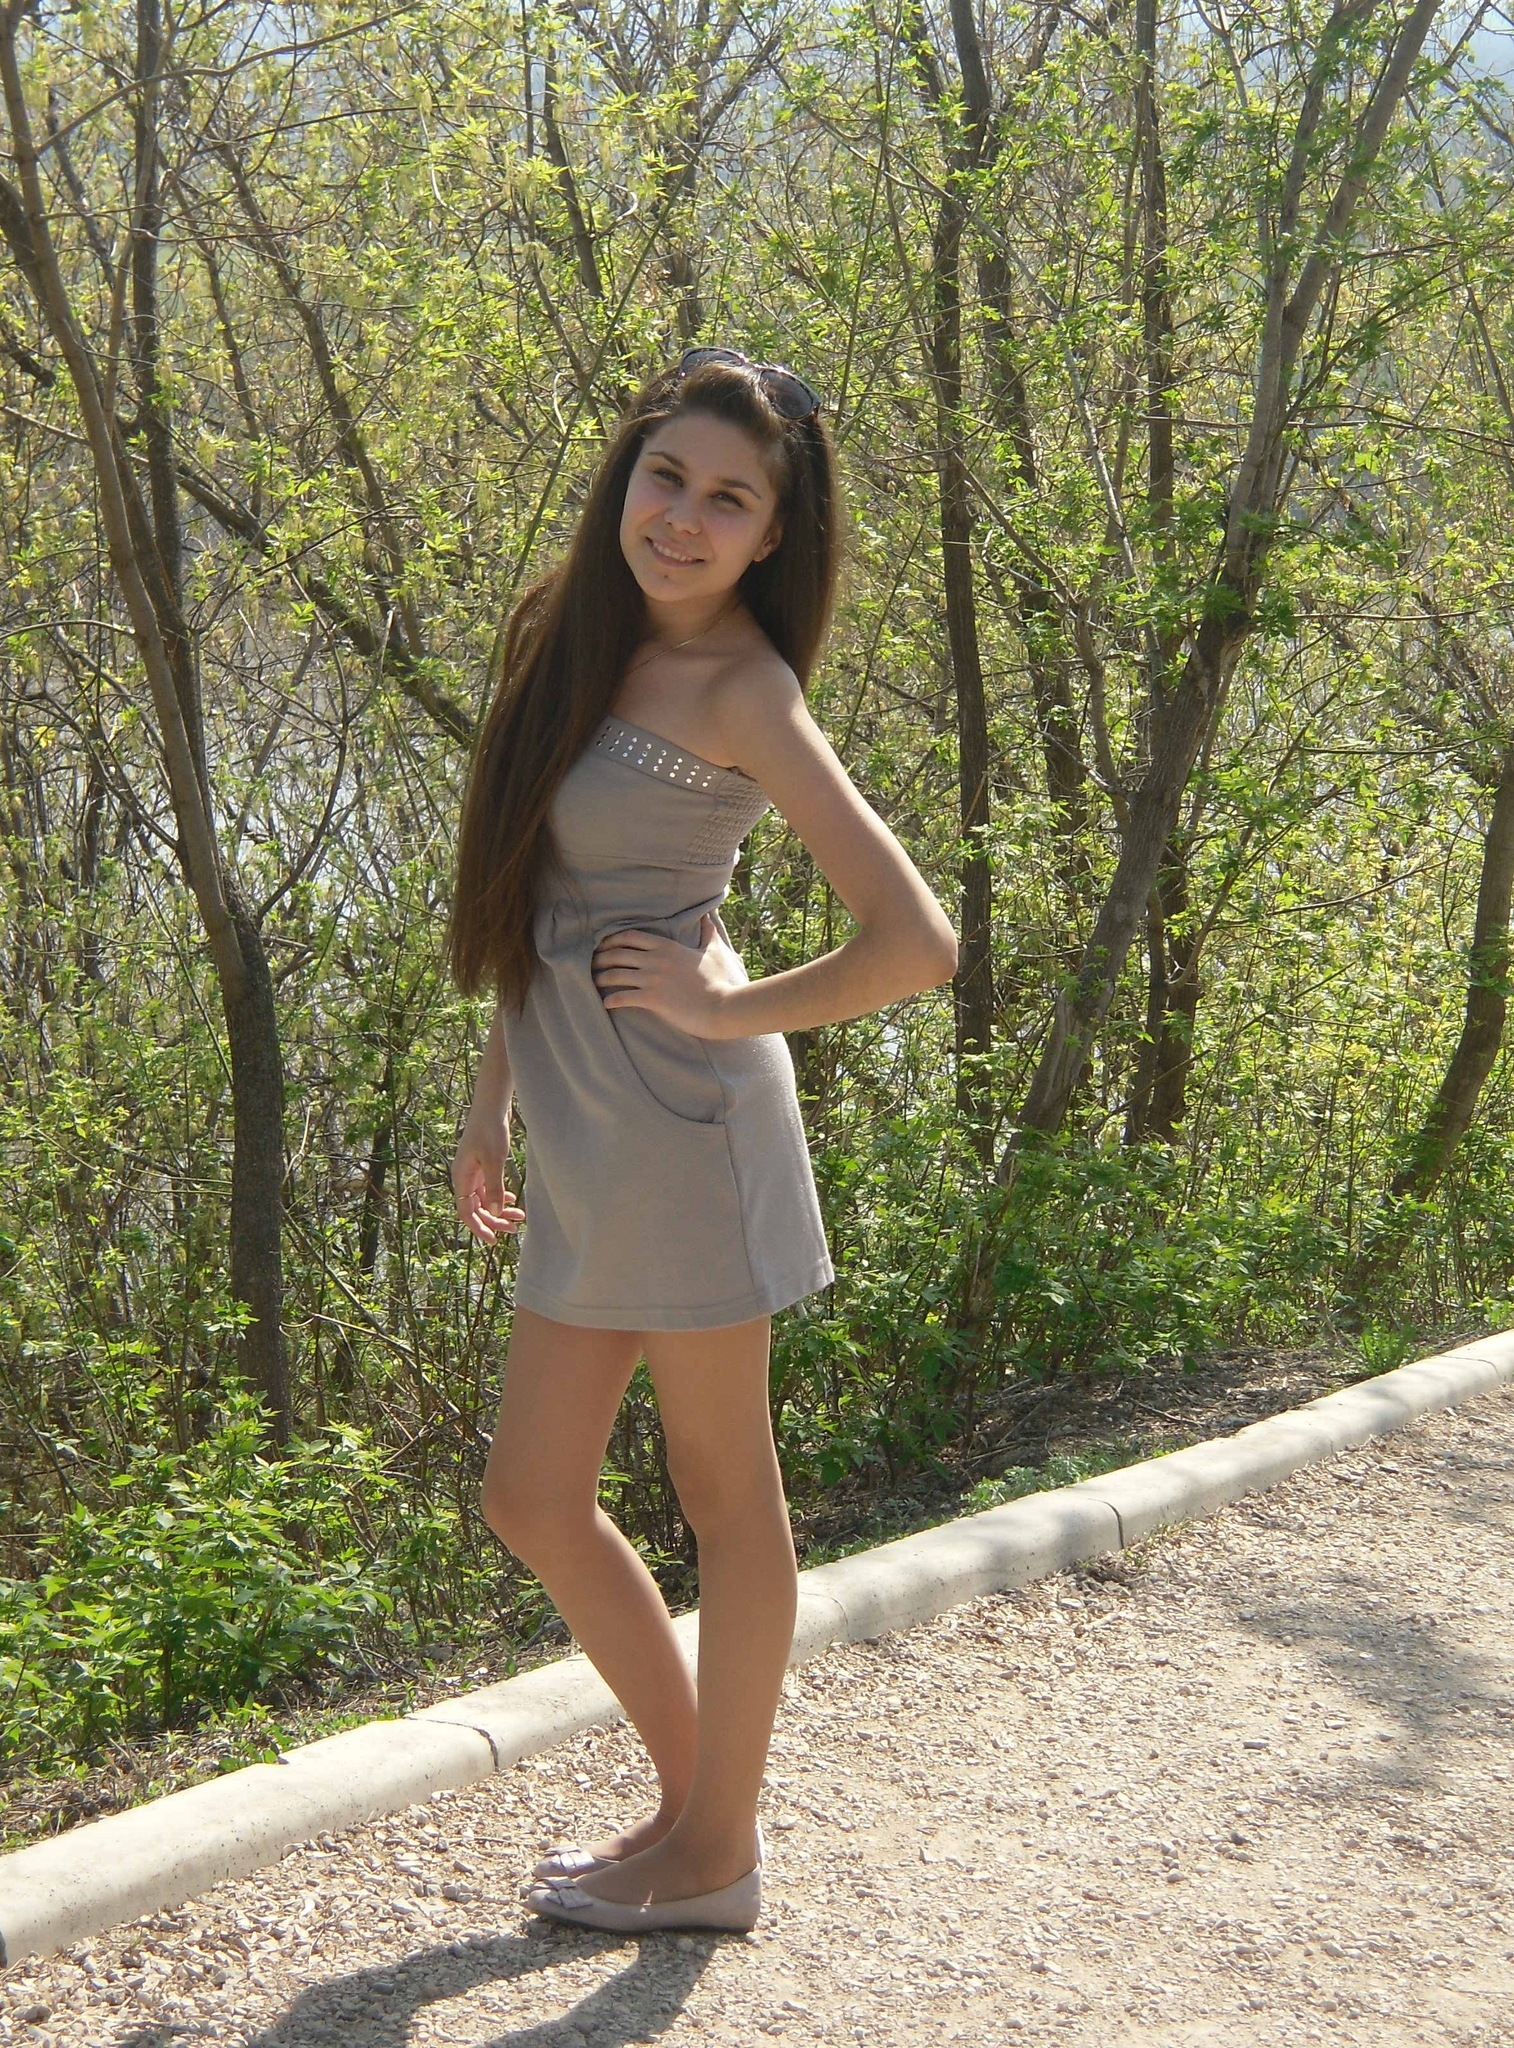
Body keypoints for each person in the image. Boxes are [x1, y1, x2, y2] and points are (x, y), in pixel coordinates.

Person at [447, 346, 959, 1933]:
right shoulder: (565, 630)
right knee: (532, 1496)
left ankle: (713, 1849)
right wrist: (492, 1095)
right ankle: (697, 1815)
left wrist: (728, 1009)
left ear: (771, 535)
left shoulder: (746, 691)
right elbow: (535, 892)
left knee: (725, 1495)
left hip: (685, 1127)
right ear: (626, 473)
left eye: (728, 499)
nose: (682, 517)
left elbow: (916, 943)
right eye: (665, 475)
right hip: (581, 1124)